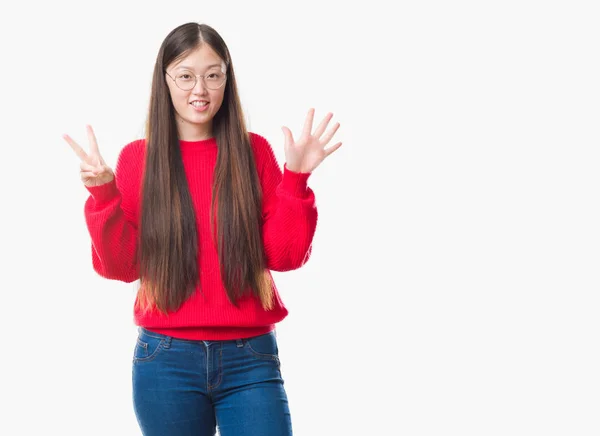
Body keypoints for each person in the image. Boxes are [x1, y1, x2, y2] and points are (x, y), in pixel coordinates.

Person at [63, 22, 341, 436]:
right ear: (165, 80)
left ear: (227, 80)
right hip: (165, 361)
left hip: (251, 358)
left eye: (214, 75)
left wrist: (296, 178)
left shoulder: (254, 152)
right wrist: (104, 197)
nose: (201, 89)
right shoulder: (139, 159)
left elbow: (283, 256)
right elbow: (122, 268)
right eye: (186, 75)